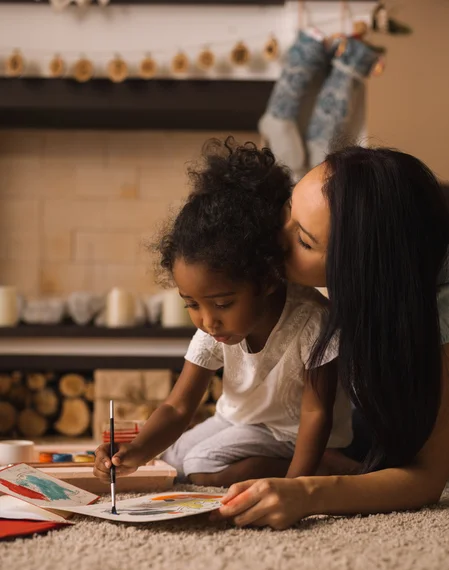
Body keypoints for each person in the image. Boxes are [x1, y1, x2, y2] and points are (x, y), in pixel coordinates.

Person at [93, 139, 353, 488]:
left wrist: (296, 486)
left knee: (200, 465)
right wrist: (134, 453)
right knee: (172, 460)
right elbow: (177, 408)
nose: (207, 320)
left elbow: (315, 414)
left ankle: (325, 464)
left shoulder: (311, 322)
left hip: (293, 432)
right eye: (192, 304)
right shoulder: (213, 328)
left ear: (267, 280)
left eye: (222, 304)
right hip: (239, 420)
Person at [214, 145, 449, 529]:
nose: (277, 239)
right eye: (288, 210)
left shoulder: (438, 313)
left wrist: (307, 492)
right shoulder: (369, 295)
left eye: (305, 242)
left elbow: (427, 477)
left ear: (364, 265)